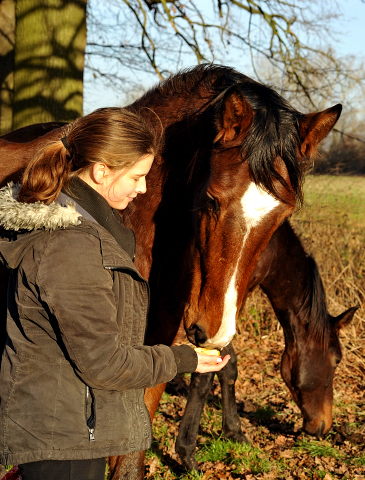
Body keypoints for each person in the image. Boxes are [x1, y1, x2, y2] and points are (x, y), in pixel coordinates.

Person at [0, 108, 230, 480]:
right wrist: (182, 360)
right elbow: (105, 363)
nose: (142, 189)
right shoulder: (71, 246)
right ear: (101, 170)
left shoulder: (84, 231)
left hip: (70, 431)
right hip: (65, 441)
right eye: (137, 176)